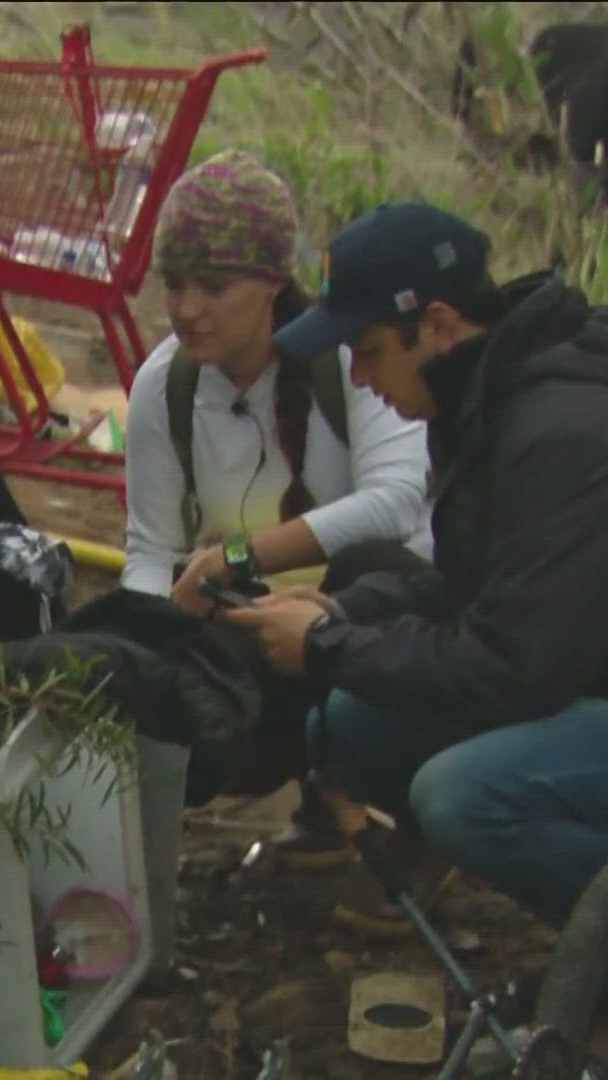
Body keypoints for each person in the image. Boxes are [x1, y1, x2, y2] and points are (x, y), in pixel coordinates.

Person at [221, 201, 608, 1043]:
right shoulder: (493, 403)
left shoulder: (564, 432)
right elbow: (475, 593)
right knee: (360, 722)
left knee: (464, 795)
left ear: (436, 326)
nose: (359, 377)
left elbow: (511, 665)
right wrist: (339, 611)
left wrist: (327, 645)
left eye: (369, 350)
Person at [120, 151, 434, 864]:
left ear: (269, 283)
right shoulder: (162, 387)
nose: (186, 309)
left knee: (375, 568)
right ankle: (312, 792)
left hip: (382, 621)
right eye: (174, 285)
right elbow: (148, 548)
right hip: (260, 627)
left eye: (213, 286)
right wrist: (149, 643)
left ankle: (403, 816)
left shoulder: (347, 359)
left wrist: (232, 560)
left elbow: (396, 502)